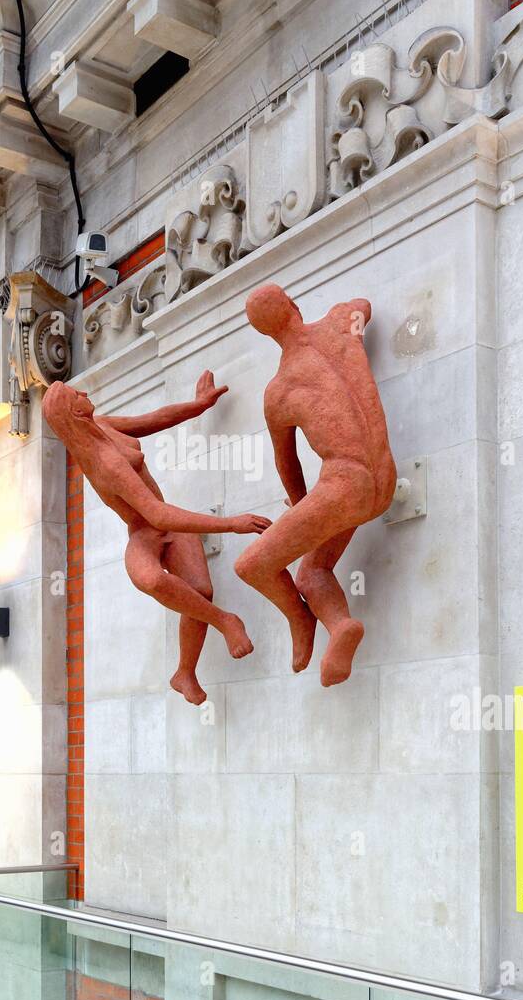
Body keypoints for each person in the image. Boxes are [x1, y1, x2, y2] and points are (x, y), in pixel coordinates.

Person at [43, 373, 270, 705]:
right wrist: (231, 523)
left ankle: (184, 673)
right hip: (145, 532)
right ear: (74, 413)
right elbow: (157, 515)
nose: (84, 391)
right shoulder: (104, 464)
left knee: (201, 590)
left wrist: (197, 406)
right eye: (76, 394)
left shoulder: (103, 426)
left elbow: (153, 420)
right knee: (149, 578)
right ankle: (225, 620)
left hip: (166, 523)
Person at [234, 284, 396, 686]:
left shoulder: (279, 392)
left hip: (343, 487)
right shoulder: (343, 321)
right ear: (293, 304)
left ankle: (301, 620)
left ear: (265, 334)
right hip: (383, 478)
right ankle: (339, 628)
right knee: (312, 571)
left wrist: (303, 508)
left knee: (251, 565)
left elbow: (285, 462)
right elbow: (364, 302)